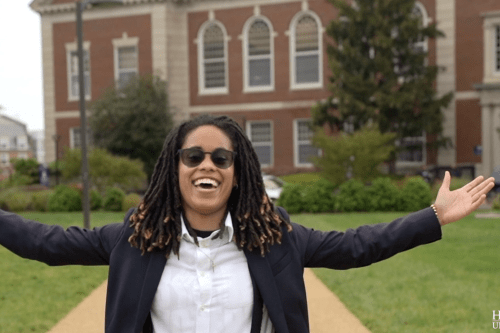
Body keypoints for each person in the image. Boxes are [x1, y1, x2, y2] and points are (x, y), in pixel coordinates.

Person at [0, 115, 495, 333]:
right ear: (175, 167)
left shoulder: (276, 239)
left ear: (239, 173)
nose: (206, 165)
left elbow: (357, 246)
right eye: (193, 156)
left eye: (221, 157)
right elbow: (47, 242)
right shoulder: (136, 237)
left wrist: (433, 217)